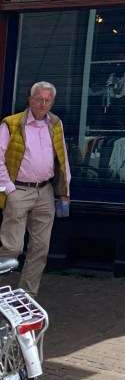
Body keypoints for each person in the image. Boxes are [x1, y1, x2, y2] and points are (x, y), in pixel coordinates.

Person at [0, 82, 71, 295]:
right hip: (19, 190)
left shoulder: (55, 124)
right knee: (12, 248)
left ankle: (26, 296)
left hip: (45, 191)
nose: (43, 104)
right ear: (30, 100)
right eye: (39, 99)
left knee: (40, 249)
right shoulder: (11, 124)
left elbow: (63, 158)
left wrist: (64, 191)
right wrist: (8, 189)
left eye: (47, 100)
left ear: (52, 102)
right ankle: (2, 293)